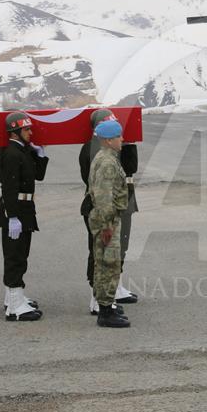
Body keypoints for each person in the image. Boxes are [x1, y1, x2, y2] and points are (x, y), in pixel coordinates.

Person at [80, 109, 139, 315]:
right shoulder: (94, 152)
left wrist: (129, 144)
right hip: (104, 210)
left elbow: (131, 168)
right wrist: (106, 221)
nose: (121, 138)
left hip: (118, 205)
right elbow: (100, 190)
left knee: (117, 252)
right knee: (101, 256)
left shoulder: (113, 151)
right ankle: (98, 298)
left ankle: (112, 290)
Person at [0, 111, 48, 321]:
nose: (30, 132)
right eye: (26, 129)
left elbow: (38, 176)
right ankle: (14, 308)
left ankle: (13, 298)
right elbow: (9, 188)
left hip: (25, 208)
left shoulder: (22, 151)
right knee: (15, 257)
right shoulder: (10, 153)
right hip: (16, 209)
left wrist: (40, 155)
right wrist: (13, 217)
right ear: (15, 132)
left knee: (20, 255)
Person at [88, 118, 130, 328]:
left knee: (104, 262)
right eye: (118, 136)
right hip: (107, 220)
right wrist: (107, 225)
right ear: (107, 140)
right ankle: (105, 311)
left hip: (108, 218)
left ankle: (106, 304)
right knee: (109, 264)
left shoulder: (106, 157)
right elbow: (103, 196)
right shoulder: (107, 162)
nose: (122, 139)